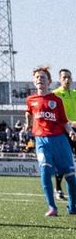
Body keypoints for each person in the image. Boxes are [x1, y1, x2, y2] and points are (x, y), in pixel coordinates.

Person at [25, 66, 76, 216]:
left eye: (43, 77)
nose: (40, 79)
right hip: (41, 140)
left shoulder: (56, 100)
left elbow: (64, 121)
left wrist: (71, 131)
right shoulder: (30, 100)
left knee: (70, 177)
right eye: (37, 77)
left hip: (60, 140)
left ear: (49, 81)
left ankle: (73, 207)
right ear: (34, 81)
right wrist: (27, 124)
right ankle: (52, 207)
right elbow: (28, 112)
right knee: (45, 170)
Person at [49, 68, 76, 201]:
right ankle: (58, 189)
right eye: (64, 77)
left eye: (69, 77)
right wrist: (70, 123)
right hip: (63, 131)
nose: (67, 79)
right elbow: (55, 116)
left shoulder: (75, 93)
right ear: (59, 79)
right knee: (63, 161)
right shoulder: (55, 95)